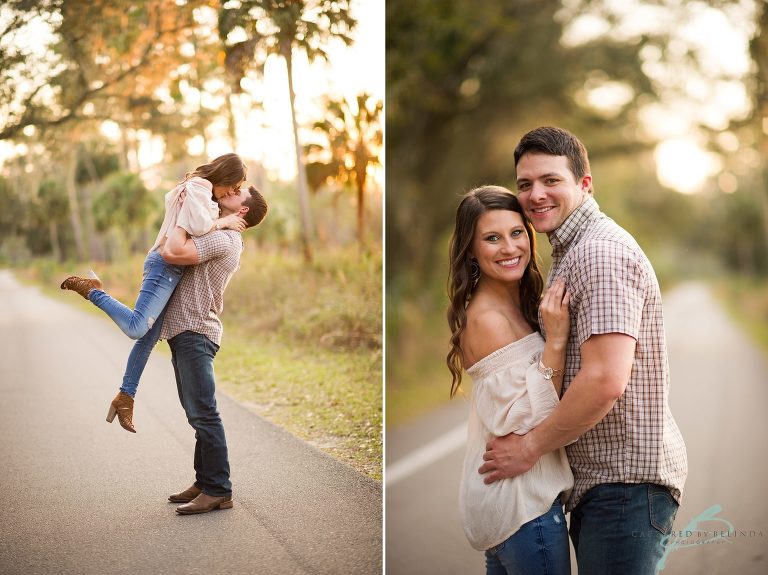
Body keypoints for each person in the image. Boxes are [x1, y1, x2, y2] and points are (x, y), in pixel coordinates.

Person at [479, 127, 688, 574]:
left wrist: (530, 447)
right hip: (606, 488)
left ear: (584, 183)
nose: (535, 194)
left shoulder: (599, 253)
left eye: (551, 180)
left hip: (625, 486)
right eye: (525, 184)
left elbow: (605, 380)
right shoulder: (569, 250)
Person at [60, 153, 248, 433]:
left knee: (148, 337)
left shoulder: (199, 189)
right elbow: (196, 227)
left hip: (171, 268)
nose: (230, 194)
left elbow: (189, 223)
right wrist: (223, 222)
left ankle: (126, 396)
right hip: (165, 265)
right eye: (231, 187)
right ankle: (93, 292)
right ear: (223, 176)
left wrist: (219, 219)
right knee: (137, 327)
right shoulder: (201, 187)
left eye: (235, 192)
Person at [447, 186, 574, 575]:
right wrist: (555, 342)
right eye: (491, 238)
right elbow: (524, 421)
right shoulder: (486, 319)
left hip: (520, 508)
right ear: (471, 249)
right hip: (524, 510)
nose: (509, 247)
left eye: (516, 233)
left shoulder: (517, 304)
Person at [160, 184, 268, 515]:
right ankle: (203, 481)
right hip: (186, 331)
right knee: (197, 411)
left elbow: (172, 251)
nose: (228, 191)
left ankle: (219, 489)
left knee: (204, 412)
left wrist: (215, 223)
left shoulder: (224, 239)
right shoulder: (217, 230)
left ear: (242, 210)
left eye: (236, 191)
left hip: (196, 331)